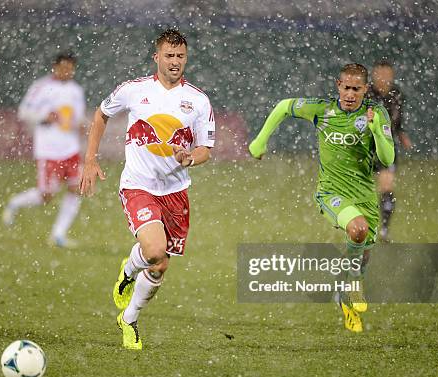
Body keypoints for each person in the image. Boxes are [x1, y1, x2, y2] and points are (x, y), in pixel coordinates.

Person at [80, 29, 215, 350]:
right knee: (153, 250)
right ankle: (127, 272)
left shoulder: (198, 101)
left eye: (180, 56)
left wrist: (189, 158)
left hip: (176, 193)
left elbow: (205, 149)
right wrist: (89, 159)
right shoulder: (134, 90)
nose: (175, 62)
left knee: (161, 265)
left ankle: (128, 318)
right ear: (157, 57)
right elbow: (101, 114)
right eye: (169, 55)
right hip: (138, 186)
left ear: (186, 58)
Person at [248, 63, 395, 333]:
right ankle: (352, 284)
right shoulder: (322, 110)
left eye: (356, 89)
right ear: (338, 86)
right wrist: (260, 142)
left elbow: (388, 159)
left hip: (363, 195)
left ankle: (343, 295)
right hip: (331, 192)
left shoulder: (376, 114)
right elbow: (283, 106)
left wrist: (375, 130)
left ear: (365, 89)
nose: (350, 94)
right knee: (358, 229)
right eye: (346, 88)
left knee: (363, 253)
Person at [2, 52, 86, 248]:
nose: (67, 72)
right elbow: (24, 112)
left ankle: (58, 235)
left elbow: (77, 117)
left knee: (76, 188)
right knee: (46, 195)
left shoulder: (76, 90)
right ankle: (15, 203)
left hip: (71, 148)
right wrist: (43, 117)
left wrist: (82, 125)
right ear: (55, 67)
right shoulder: (40, 87)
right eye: (63, 67)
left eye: (70, 68)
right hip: (48, 150)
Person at [368, 60, 412, 242]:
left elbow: (397, 120)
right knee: (359, 187)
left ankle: (384, 229)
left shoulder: (397, 94)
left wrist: (401, 134)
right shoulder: (366, 94)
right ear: (374, 75)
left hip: (387, 147)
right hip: (366, 146)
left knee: (387, 186)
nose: (384, 78)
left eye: (387, 75)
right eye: (380, 74)